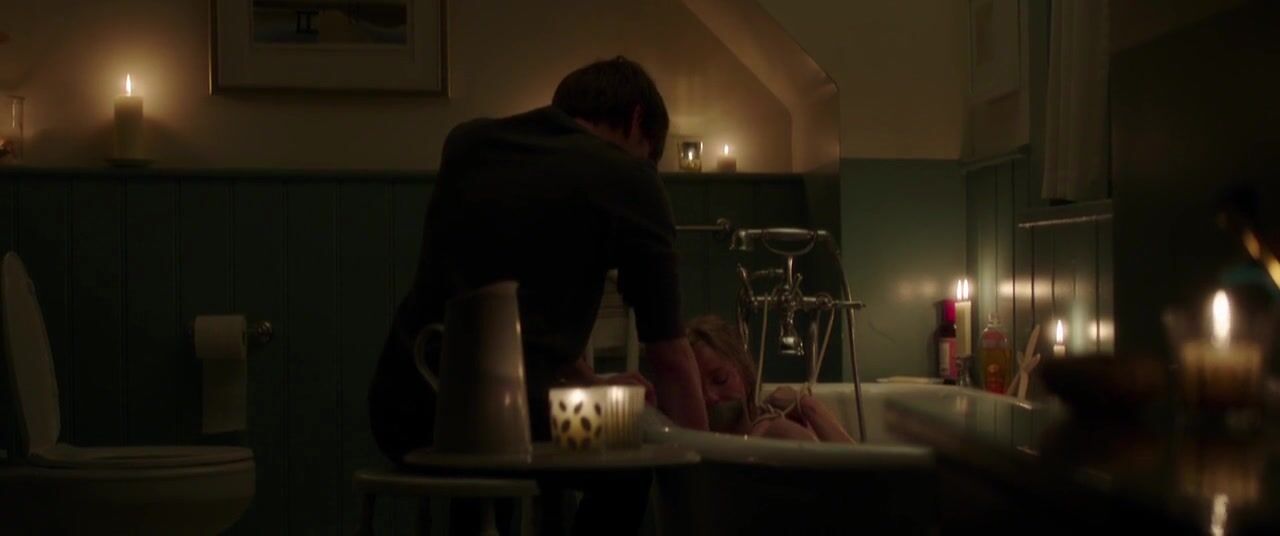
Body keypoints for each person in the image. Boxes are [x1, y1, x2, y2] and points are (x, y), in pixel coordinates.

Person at [367, 56, 708, 534]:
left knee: (494, 468)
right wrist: (711, 472)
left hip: (404, 407)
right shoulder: (631, 178)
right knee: (634, 447)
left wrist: (587, 380)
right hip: (512, 422)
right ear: (637, 120)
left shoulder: (469, 142)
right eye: (647, 154)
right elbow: (669, 357)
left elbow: (507, 307)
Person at [686, 315, 855, 443]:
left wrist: (807, 404)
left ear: (745, 374)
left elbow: (856, 474)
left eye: (720, 379)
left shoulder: (778, 435)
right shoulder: (687, 441)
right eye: (695, 388)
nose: (709, 396)